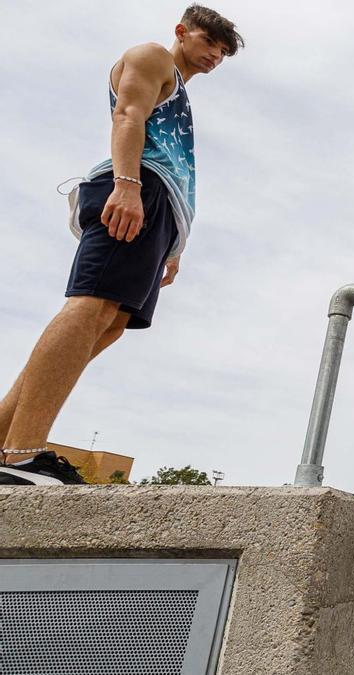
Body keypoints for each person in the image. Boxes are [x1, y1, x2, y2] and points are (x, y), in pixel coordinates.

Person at [0, 5, 243, 473]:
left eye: (223, 51)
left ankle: (5, 444)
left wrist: (175, 247)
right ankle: (22, 455)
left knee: (109, 322)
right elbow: (127, 116)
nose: (215, 54)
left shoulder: (182, 95)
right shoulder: (152, 57)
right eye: (209, 41)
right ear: (181, 32)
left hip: (161, 207)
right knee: (91, 306)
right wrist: (127, 186)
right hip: (136, 187)